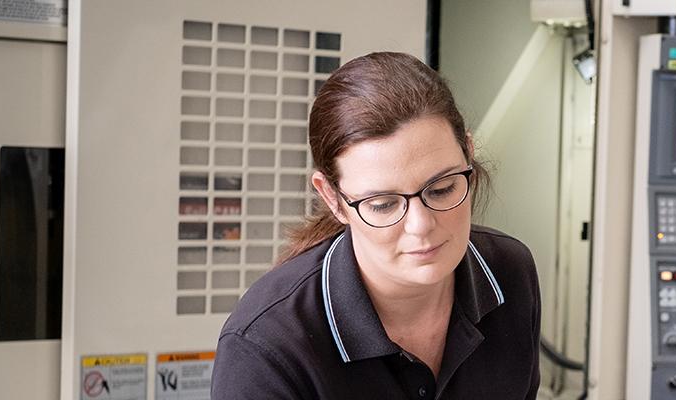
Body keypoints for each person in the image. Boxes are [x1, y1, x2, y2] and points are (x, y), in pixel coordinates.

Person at [212, 52, 541, 399]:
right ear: (333, 199)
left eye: (442, 188)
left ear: (468, 155)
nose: (420, 225)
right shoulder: (267, 345)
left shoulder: (509, 272)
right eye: (383, 204)